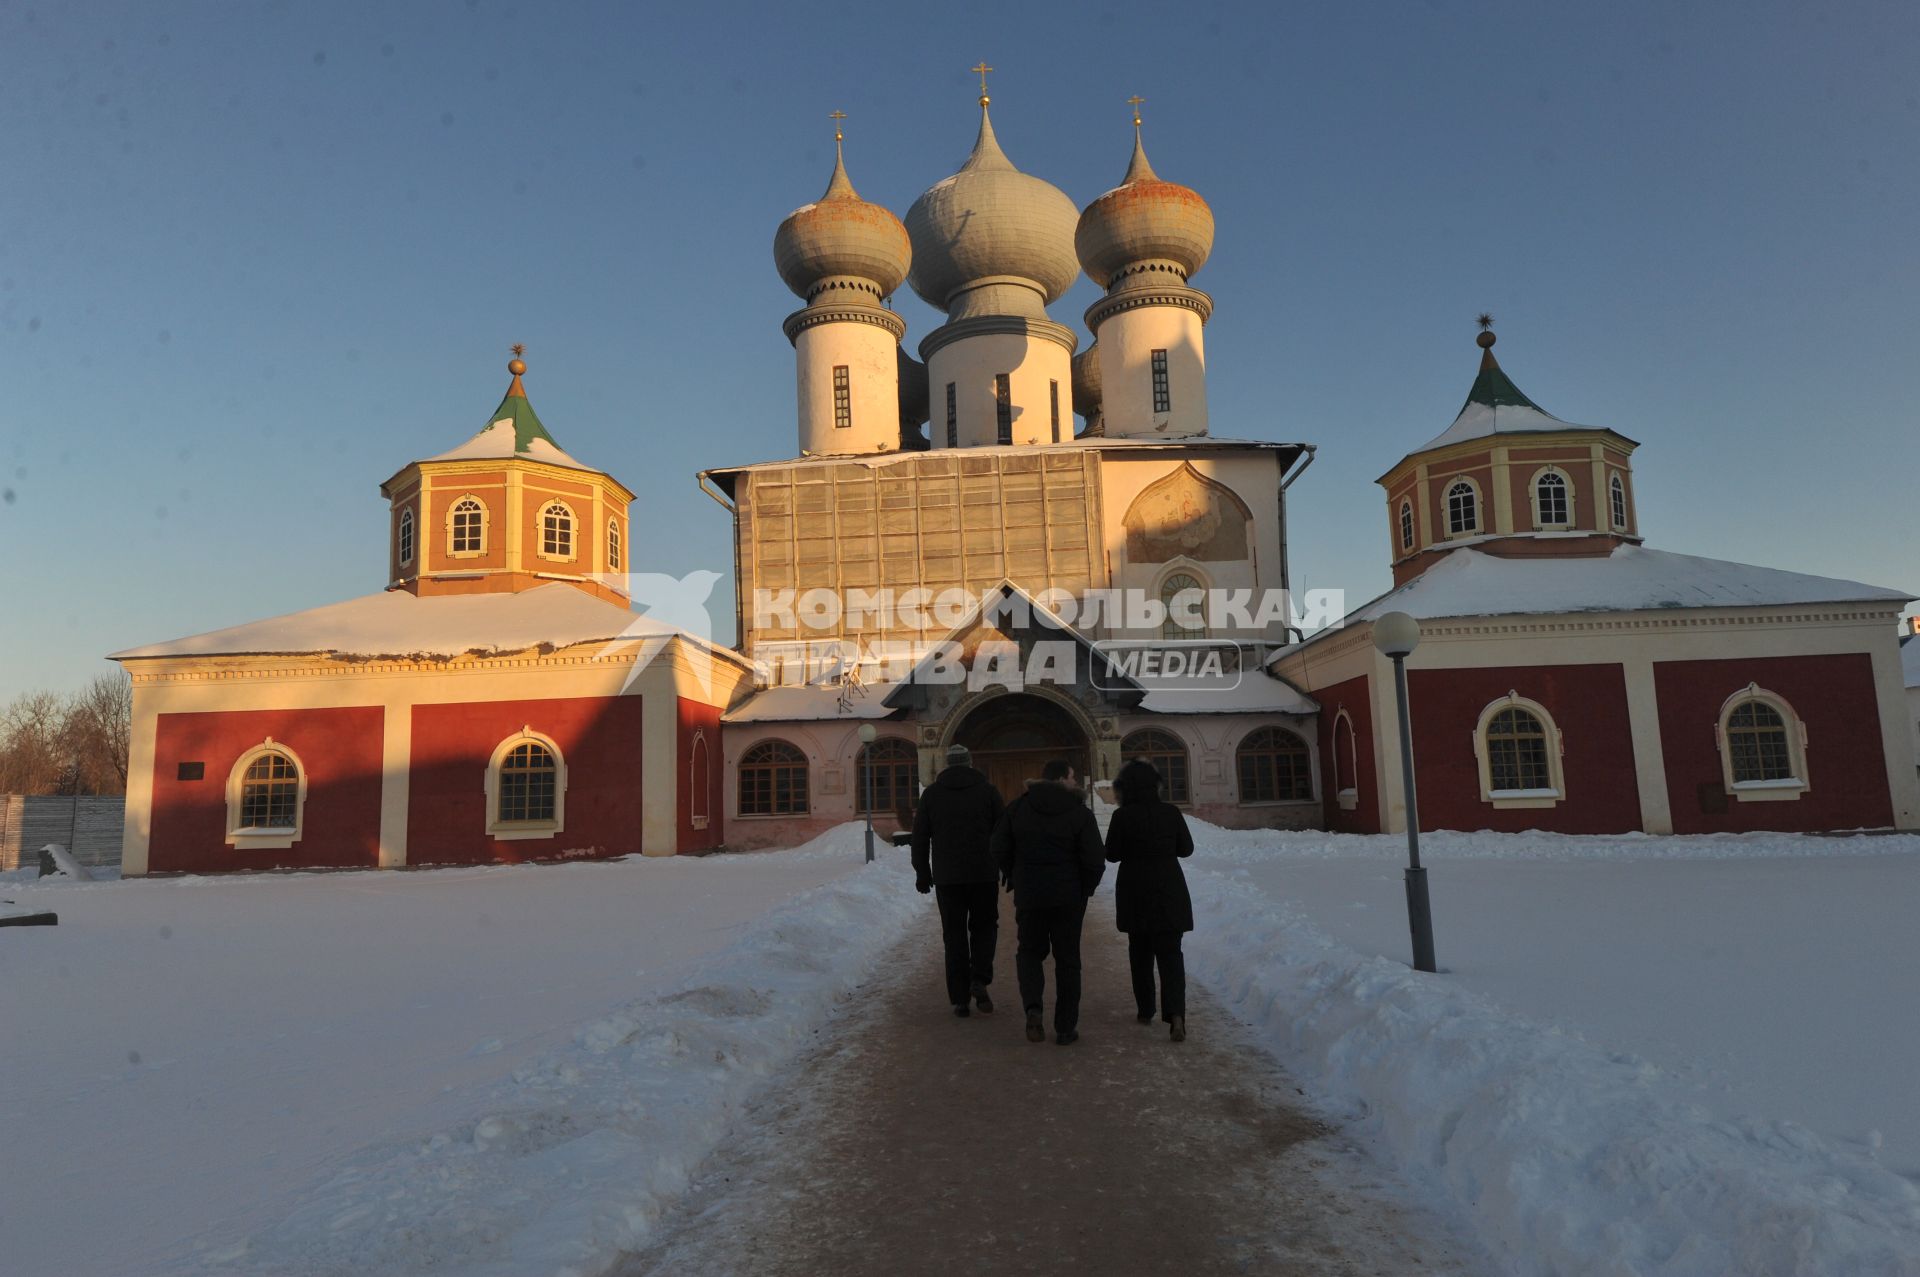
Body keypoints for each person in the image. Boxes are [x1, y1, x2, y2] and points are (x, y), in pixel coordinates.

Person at [991, 759, 1105, 1045]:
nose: (1075, 782)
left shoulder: (1018, 807)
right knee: (1068, 961)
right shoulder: (1080, 812)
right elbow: (1094, 859)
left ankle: (1033, 1008)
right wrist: (1085, 889)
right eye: (1072, 776)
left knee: (1030, 952)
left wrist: (1014, 874)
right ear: (1060, 780)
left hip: (1030, 895)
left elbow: (998, 846)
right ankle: (1066, 1028)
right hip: (1069, 898)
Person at [909, 744, 1006, 1017]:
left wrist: (922, 872)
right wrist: (1006, 866)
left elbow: (920, 837)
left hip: (948, 877)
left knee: (953, 935)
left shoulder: (932, 794)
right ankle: (979, 977)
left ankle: (960, 999)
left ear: (948, 764)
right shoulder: (988, 791)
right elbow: (1003, 831)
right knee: (985, 927)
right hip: (983, 874)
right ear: (970, 763)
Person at [1103, 758, 1195, 1042]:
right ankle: (1176, 1014)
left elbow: (1112, 854)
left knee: (1140, 953)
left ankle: (1145, 1009)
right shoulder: (1171, 812)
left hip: (1135, 891)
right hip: (1169, 889)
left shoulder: (1122, 817)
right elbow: (1186, 849)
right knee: (1171, 955)